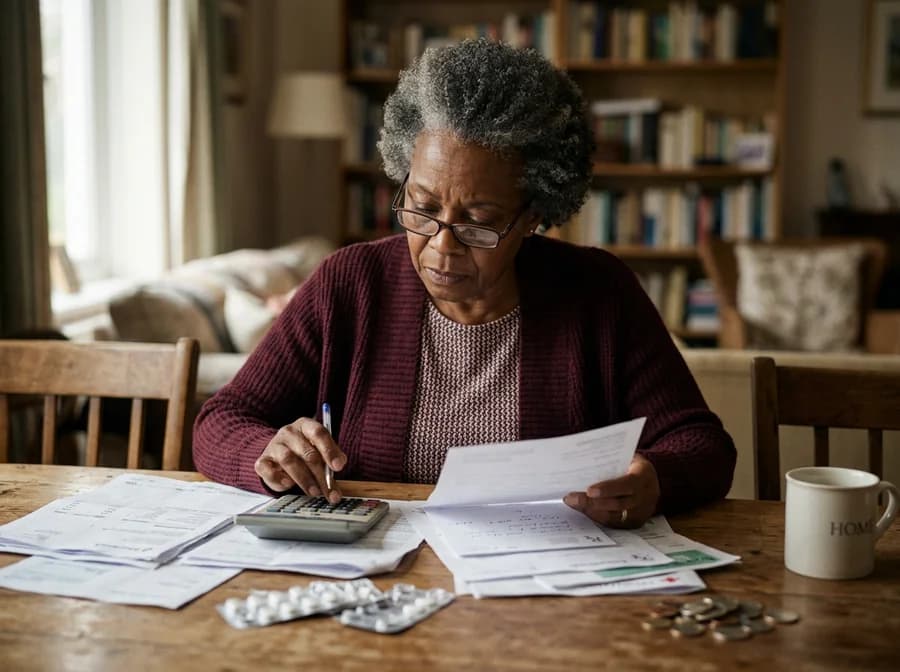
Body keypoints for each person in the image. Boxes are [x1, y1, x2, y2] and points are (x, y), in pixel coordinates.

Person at [193, 39, 735, 528]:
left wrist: (655, 479)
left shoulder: (599, 292)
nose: (441, 246)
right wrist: (269, 452)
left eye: (478, 222)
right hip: (378, 581)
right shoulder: (350, 284)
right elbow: (221, 420)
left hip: (541, 590)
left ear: (531, 218)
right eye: (423, 208)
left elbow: (702, 444)